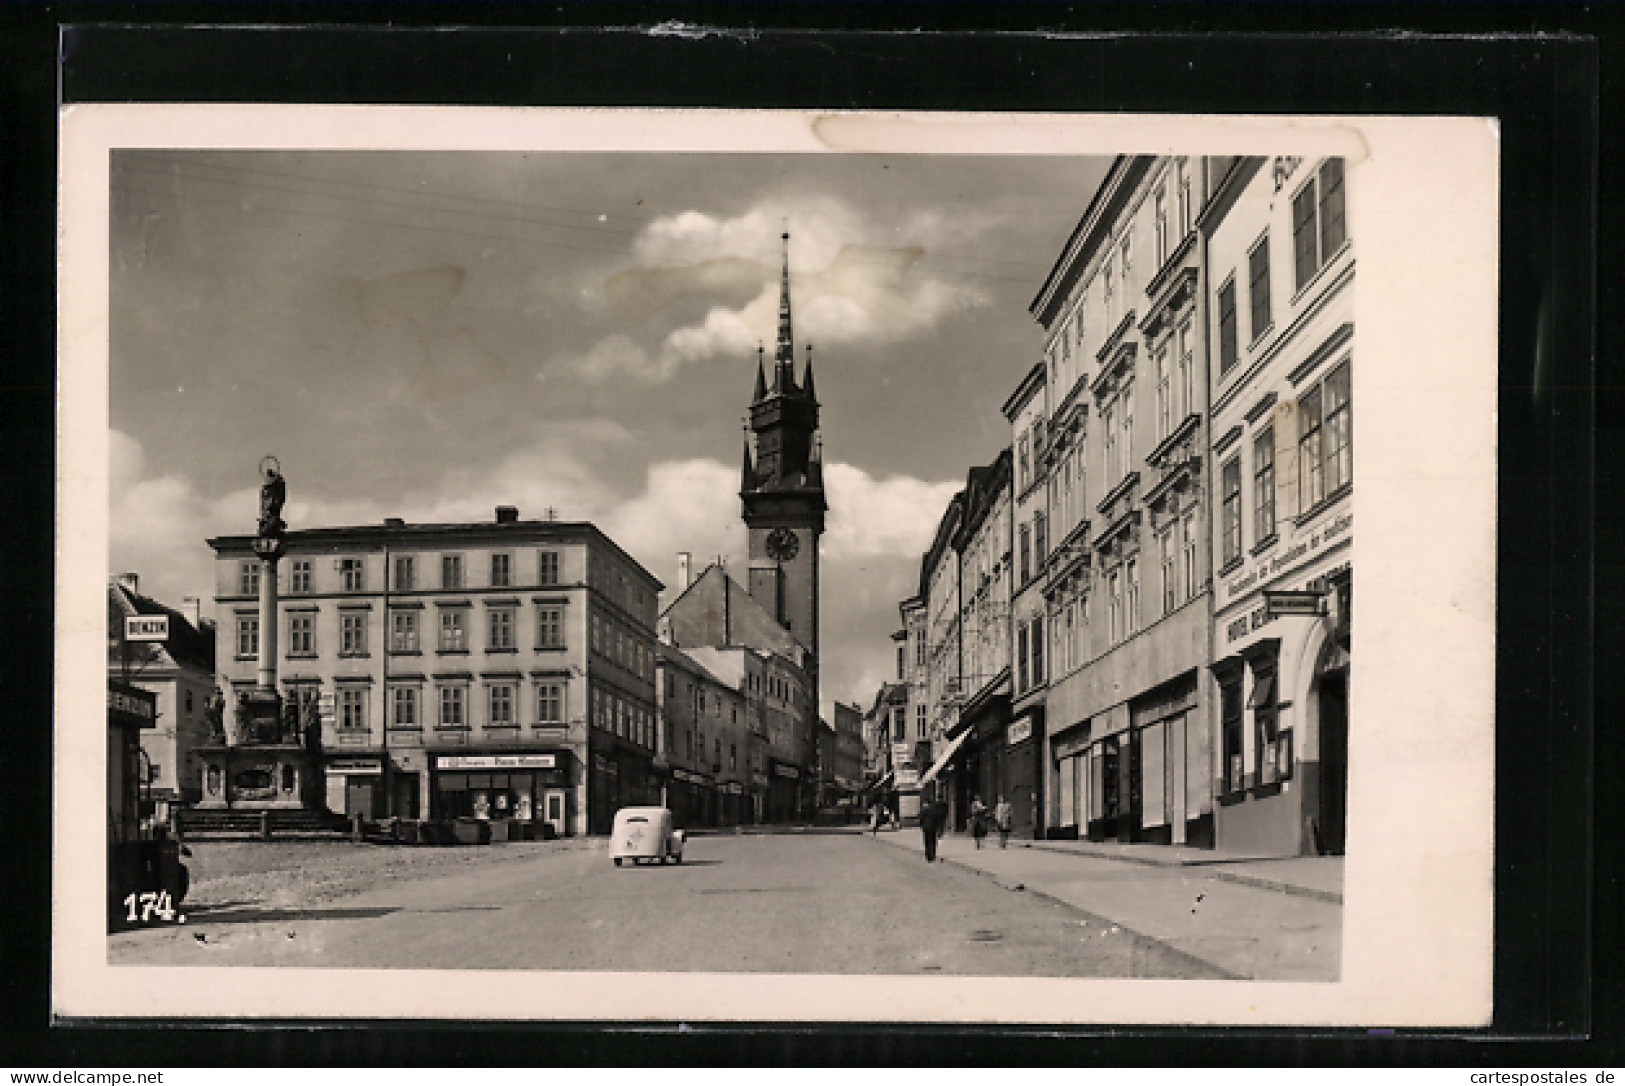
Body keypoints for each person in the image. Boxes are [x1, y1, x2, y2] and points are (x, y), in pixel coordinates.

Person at [919, 789, 940, 862]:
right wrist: (937, 827)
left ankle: (928, 856)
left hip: (926, 828)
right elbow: (937, 819)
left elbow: (920, 819)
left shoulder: (923, 811)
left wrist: (921, 826)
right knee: (933, 841)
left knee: (927, 842)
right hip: (933, 828)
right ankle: (933, 855)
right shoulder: (934, 811)